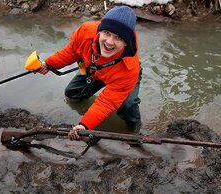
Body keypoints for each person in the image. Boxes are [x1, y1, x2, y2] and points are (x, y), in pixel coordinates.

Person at [34, 5, 142, 140]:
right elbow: (72, 52)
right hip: (94, 69)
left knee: (127, 105)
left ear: (126, 43)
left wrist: (85, 124)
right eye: (107, 33)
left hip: (119, 75)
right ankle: (93, 107)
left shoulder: (129, 69)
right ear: (99, 31)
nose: (109, 42)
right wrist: (48, 64)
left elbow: (106, 103)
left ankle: (135, 130)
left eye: (118, 38)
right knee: (72, 94)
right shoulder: (85, 31)